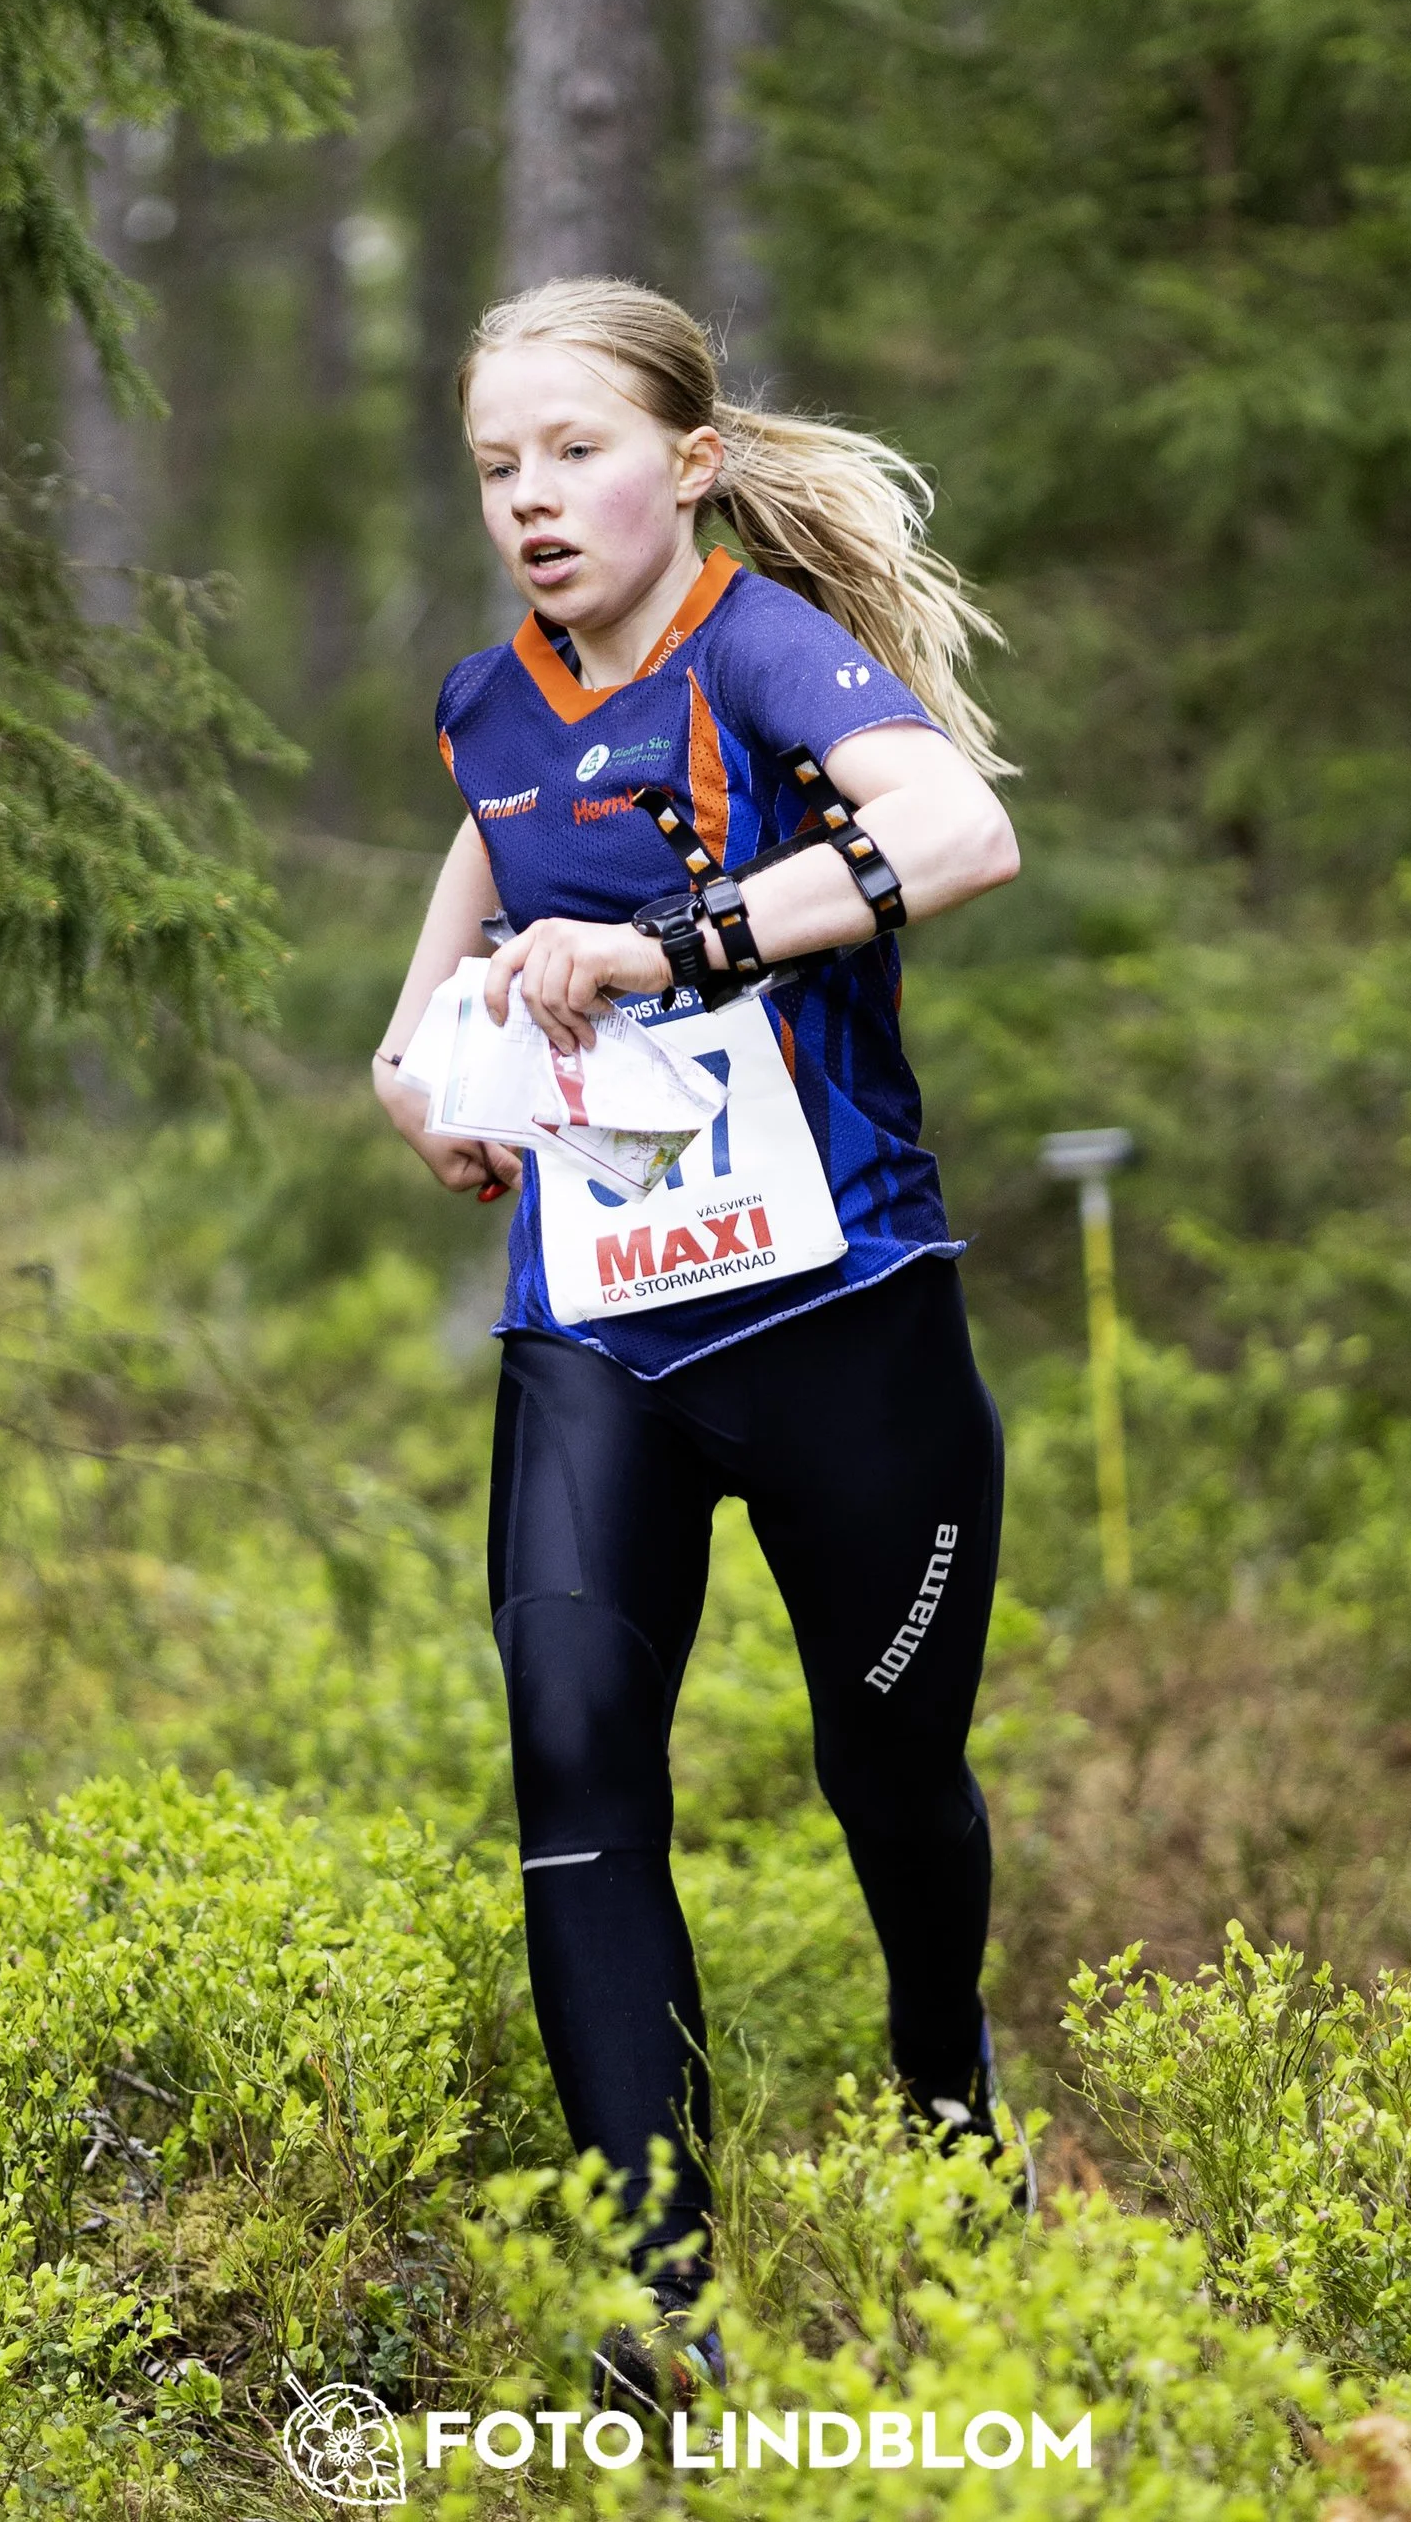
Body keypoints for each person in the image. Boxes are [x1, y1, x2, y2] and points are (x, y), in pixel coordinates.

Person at [371, 279, 1023, 2392]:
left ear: (688, 460)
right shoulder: (491, 700)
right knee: (569, 1757)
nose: (533, 499)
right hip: (599, 1335)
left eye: (572, 451)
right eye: (497, 466)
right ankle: (658, 2303)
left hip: (842, 1315)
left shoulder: (753, 641)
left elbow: (956, 832)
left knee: (886, 1770)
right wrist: (419, 1067)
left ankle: (946, 2097)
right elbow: (473, 902)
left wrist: (668, 943)